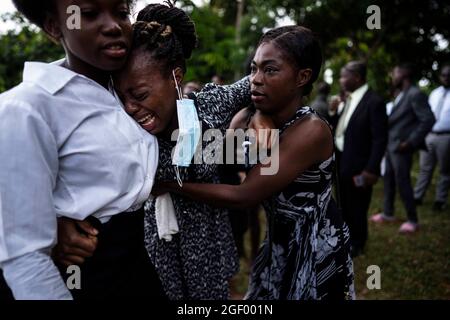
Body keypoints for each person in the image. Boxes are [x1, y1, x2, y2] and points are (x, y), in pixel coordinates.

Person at [57, 2, 271, 299]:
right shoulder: (126, 133)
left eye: (140, 94)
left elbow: (264, 80)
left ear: (176, 76)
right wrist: (62, 221)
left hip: (208, 249)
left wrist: (264, 116)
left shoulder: (209, 107)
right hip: (156, 251)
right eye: (122, 98)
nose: (131, 108)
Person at [154, 25, 355, 300]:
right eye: (254, 69)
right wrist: (252, 113)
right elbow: (214, 156)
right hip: (278, 241)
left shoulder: (311, 130)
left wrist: (170, 184)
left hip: (314, 243)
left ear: (303, 76)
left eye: (270, 70)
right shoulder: (252, 118)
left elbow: (243, 194)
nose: (256, 80)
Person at [0, 0, 165, 300]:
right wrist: (54, 225)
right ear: (53, 26)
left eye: (121, 13)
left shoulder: (130, 93)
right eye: (88, 14)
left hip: (137, 269)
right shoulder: (28, 109)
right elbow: (24, 254)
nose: (114, 26)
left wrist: (260, 114)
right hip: (80, 276)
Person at [330, 61, 388, 257]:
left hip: (360, 166)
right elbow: (340, 128)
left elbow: (380, 139)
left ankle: (358, 243)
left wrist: (371, 169)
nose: (341, 79)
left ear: (357, 77)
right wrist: (334, 111)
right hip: (342, 162)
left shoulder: (374, 102)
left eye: (344, 75)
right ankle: (344, 238)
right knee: (343, 203)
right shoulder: (347, 99)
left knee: (358, 206)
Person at [371, 63, 435, 233]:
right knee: (389, 180)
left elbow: (428, 119)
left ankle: (413, 220)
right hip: (392, 147)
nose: (392, 76)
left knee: (403, 182)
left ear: (405, 74)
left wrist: (410, 142)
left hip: (402, 147)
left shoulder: (415, 94)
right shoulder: (401, 95)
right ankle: (388, 213)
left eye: (395, 72)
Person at [414, 64, 450, 212]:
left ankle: (440, 200)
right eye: (444, 75)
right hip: (429, 135)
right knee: (424, 168)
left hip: (446, 137)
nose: (446, 78)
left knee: (445, 170)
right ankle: (417, 196)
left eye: (449, 75)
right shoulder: (435, 93)